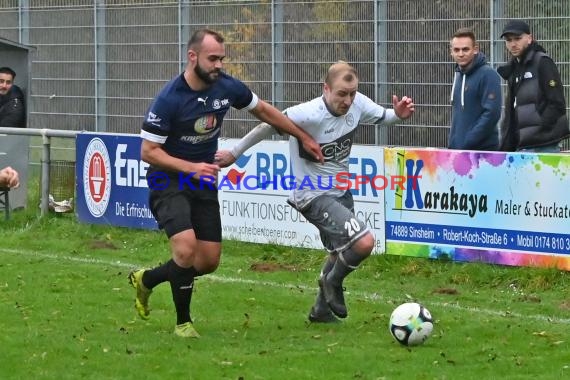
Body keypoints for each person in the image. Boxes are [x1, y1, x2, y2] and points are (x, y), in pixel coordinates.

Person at [129, 28, 323, 338]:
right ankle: (183, 324)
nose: (219, 64)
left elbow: (263, 110)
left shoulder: (226, 87)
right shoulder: (169, 99)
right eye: (212, 58)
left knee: (207, 261)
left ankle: (147, 280)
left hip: (203, 180)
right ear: (192, 57)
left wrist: (303, 136)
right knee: (185, 248)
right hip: (169, 179)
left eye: (222, 58)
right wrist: (192, 167)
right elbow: (148, 152)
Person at [216, 61, 414, 323]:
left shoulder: (359, 104)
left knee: (339, 251)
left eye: (352, 93)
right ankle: (332, 283)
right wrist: (234, 153)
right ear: (326, 89)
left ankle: (321, 311)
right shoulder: (309, 113)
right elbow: (266, 124)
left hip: (341, 189)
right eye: (342, 94)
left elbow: (384, 117)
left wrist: (397, 114)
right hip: (312, 194)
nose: (348, 100)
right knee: (364, 243)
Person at [497, 20, 569, 152]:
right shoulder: (514, 68)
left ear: (529, 38)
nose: (513, 44)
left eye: (518, 39)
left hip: (543, 145)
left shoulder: (542, 62)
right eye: (509, 40)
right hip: (521, 144)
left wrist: (539, 127)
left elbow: (557, 104)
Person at [448, 28, 502, 150]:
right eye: (456, 50)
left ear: (475, 49)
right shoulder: (458, 75)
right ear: (451, 52)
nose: (461, 54)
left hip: (482, 153)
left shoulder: (488, 75)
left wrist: (469, 141)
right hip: (458, 152)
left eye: (465, 49)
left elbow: (492, 113)